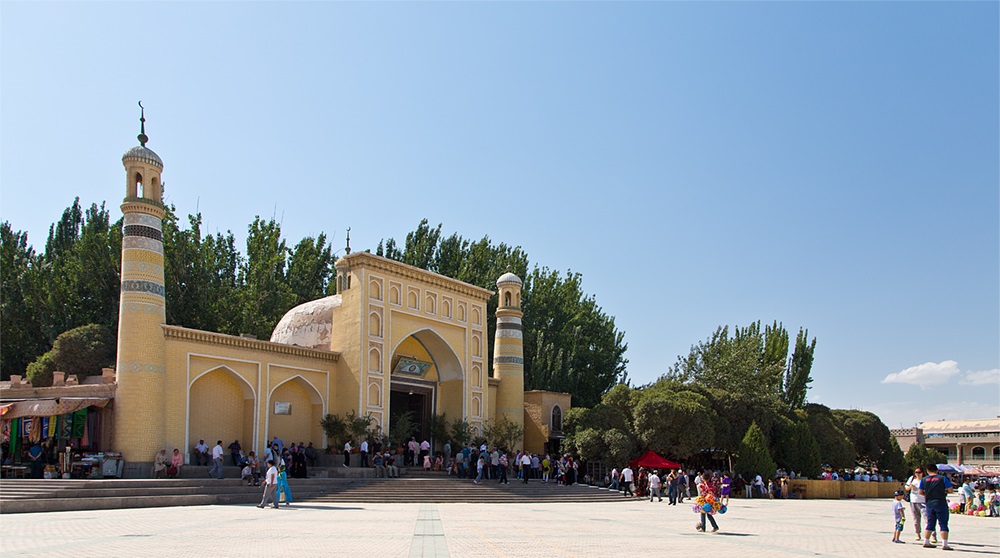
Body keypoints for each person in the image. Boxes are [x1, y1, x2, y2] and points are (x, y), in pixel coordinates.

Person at [918, 463, 954, 550]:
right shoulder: (942, 478)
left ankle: (926, 541)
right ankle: (944, 544)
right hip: (940, 503)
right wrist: (944, 492)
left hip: (929, 504)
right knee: (943, 523)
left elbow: (920, 492)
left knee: (930, 523)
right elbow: (950, 490)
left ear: (927, 471)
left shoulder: (924, 480)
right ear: (937, 470)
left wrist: (927, 495)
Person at [905, 467, 937, 543]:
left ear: (923, 473)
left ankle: (933, 535)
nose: (918, 474)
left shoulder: (925, 479)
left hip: (923, 501)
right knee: (916, 519)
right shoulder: (912, 479)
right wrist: (910, 487)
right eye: (916, 472)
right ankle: (918, 534)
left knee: (928, 518)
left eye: (919, 472)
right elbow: (906, 487)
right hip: (913, 501)